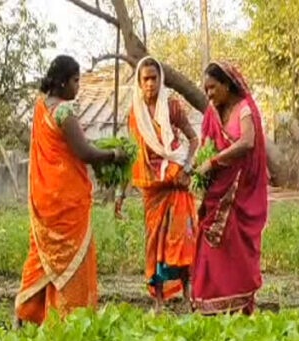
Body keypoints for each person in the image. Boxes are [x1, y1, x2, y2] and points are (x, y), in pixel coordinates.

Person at [15, 55, 127, 326]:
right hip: (66, 201)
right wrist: (114, 154)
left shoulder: (41, 107)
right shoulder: (64, 112)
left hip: (45, 199)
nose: (78, 87)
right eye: (76, 81)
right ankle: (70, 320)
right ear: (63, 82)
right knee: (72, 259)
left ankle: (24, 316)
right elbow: (84, 151)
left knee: (41, 256)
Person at [191, 61, 269, 315]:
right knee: (210, 248)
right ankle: (210, 303)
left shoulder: (244, 109)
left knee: (236, 250)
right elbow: (205, 144)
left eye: (213, 87)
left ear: (227, 85)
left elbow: (247, 141)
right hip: (216, 191)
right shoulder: (213, 114)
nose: (209, 94)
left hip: (238, 193)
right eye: (206, 89)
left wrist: (213, 162)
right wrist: (198, 163)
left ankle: (237, 303)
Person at [124, 57, 199, 312]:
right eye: (145, 79)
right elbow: (134, 154)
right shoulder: (135, 115)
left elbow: (193, 139)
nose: (150, 84)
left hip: (176, 182)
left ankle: (188, 296)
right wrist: (121, 192)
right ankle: (157, 302)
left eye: (154, 78)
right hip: (152, 187)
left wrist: (187, 167)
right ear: (139, 82)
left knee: (182, 239)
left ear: (160, 80)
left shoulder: (172, 107)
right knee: (154, 242)